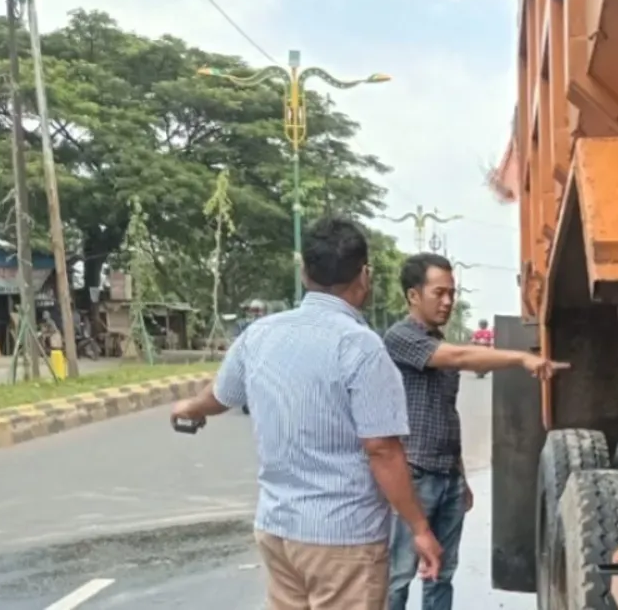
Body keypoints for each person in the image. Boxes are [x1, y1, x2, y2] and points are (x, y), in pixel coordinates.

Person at [170, 216, 443, 610]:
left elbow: (221, 394)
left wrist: (188, 407)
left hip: (278, 531)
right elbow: (382, 449)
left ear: (304, 272)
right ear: (364, 276)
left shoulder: (260, 334)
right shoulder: (360, 346)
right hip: (343, 540)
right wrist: (419, 528)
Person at [383, 252, 568, 610]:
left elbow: (446, 415)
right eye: (439, 292)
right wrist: (520, 358)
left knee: (442, 574)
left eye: (452, 292)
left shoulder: (437, 339)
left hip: (446, 477)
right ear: (413, 296)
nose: (448, 301)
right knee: (397, 578)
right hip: (413, 477)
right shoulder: (401, 338)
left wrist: (461, 476)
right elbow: (460, 358)